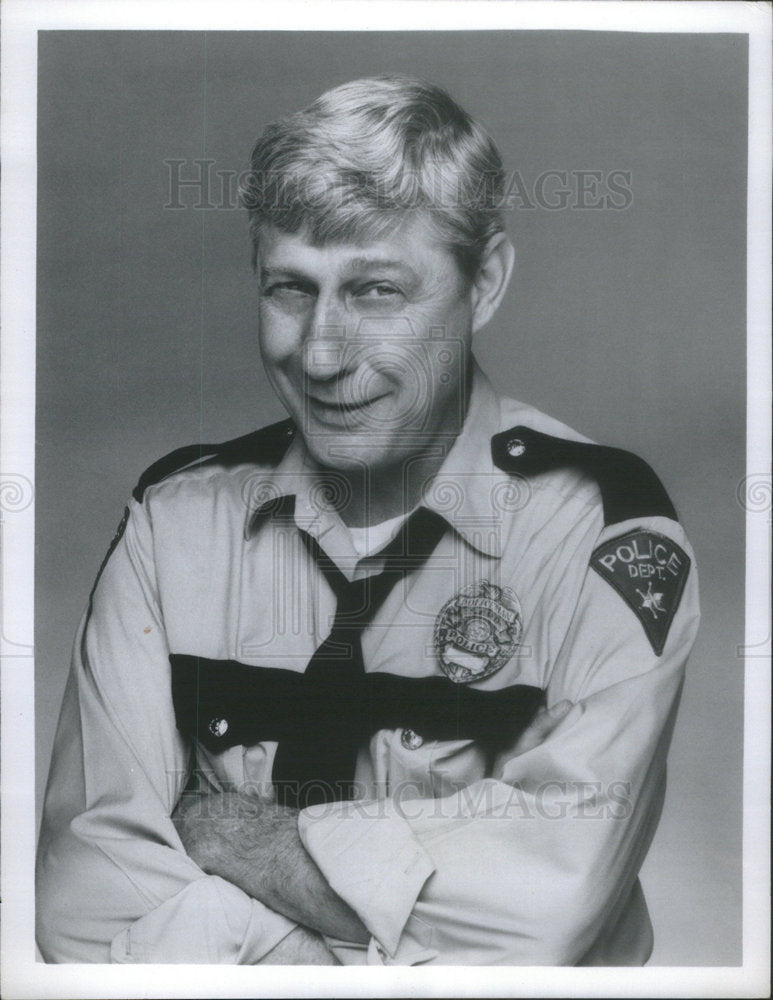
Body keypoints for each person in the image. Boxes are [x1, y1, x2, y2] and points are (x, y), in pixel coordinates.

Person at [36, 76, 700, 966]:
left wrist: (238, 854)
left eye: (377, 292)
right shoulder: (175, 524)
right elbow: (83, 911)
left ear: (486, 283)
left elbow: (546, 909)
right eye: (288, 290)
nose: (320, 352)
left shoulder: (597, 534)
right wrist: (389, 912)